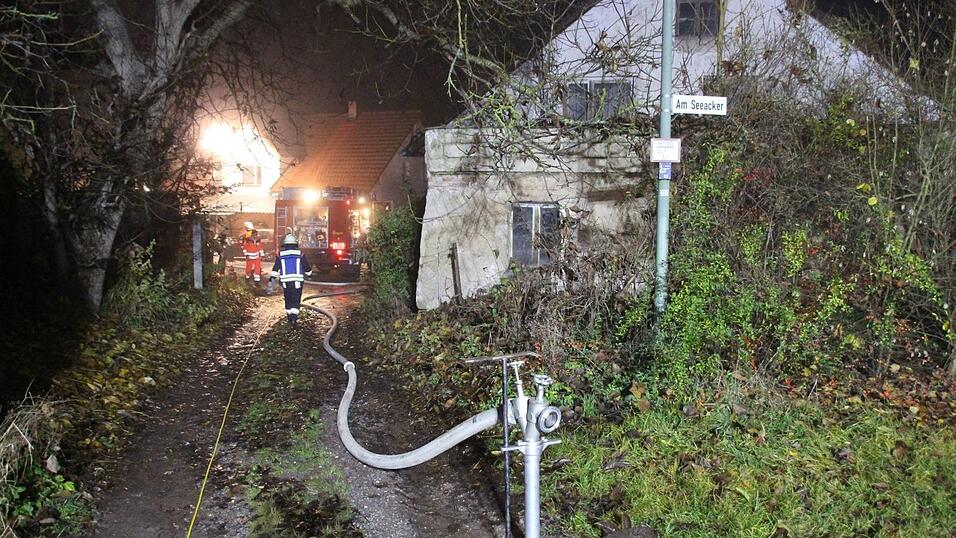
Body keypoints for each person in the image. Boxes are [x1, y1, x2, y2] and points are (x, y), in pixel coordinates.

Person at [271, 232, 312, 325]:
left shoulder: (280, 254)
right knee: (295, 299)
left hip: (285, 282)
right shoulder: (300, 254)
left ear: (284, 244)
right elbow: (306, 266)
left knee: (288, 298)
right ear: (295, 244)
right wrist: (309, 274)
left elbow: (276, 267)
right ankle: (294, 318)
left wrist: (272, 278)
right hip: (297, 282)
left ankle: (289, 317)